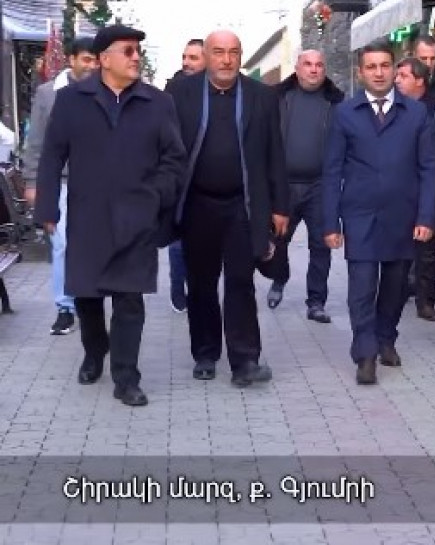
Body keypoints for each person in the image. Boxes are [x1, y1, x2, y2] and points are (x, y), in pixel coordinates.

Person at [35, 25, 186, 406]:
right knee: (87, 295)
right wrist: (48, 206)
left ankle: (126, 378)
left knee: (129, 299)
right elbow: (52, 155)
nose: (136, 57)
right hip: (88, 215)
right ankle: (94, 350)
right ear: (104, 59)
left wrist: (156, 194)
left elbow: (174, 158)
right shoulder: (72, 100)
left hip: (138, 216)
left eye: (138, 51)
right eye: (128, 50)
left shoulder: (158, 102)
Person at [168, 30, 289, 388]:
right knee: (200, 282)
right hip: (197, 203)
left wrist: (280, 205)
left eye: (233, 52)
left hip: (243, 205)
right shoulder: (181, 94)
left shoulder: (261, 97)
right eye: (218, 52)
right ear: (206, 56)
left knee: (240, 281)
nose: (226, 59)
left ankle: (245, 359)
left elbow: (275, 153)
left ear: (240, 56)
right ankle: (205, 353)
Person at [322, 39, 435, 385]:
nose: (378, 73)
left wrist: (427, 216)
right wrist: (330, 222)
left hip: (403, 215)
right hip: (359, 215)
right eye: (371, 67)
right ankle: (365, 353)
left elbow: (429, 167)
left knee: (395, 286)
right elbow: (332, 171)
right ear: (360, 72)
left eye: (384, 66)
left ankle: (386, 338)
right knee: (361, 287)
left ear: (394, 70)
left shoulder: (415, 113)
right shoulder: (345, 113)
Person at [23, 38, 97, 335]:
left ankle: (89, 301)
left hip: (97, 182)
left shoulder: (105, 90)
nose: (91, 66)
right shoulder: (48, 93)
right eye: (86, 60)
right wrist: (32, 182)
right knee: (62, 244)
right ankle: (65, 307)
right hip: (62, 181)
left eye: (95, 60)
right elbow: (36, 141)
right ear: (71, 59)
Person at [267, 49, 344, 323]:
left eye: (319, 65)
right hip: (284, 184)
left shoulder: (336, 102)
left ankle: (316, 302)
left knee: (321, 245)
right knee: (278, 240)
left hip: (320, 185)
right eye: (308, 64)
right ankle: (279, 278)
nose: (313, 69)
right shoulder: (278, 97)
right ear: (297, 68)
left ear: (324, 70)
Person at [394, 56, 435, 321]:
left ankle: (426, 300)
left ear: (420, 80)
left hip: (426, 185)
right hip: (399, 187)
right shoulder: (393, 108)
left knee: (427, 248)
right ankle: (397, 293)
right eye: (397, 76)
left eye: (404, 76)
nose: (397, 80)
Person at [164, 38, 206, 313]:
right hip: (178, 176)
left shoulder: (216, 90)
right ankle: (177, 286)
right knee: (178, 241)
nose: (186, 62)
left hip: (207, 177)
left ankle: (198, 287)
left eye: (193, 57)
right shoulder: (172, 91)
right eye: (184, 57)